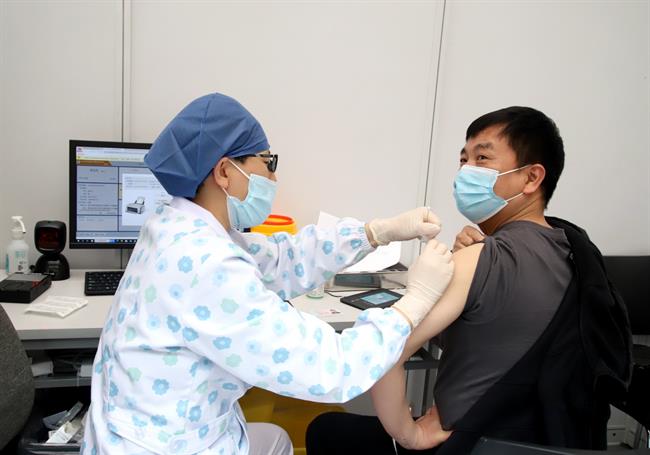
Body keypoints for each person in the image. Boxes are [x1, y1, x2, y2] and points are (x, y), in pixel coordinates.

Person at [81, 92, 456, 455]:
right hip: (164, 445)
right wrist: (415, 302)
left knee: (273, 438)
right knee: (277, 439)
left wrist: (374, 233)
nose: (273, 179)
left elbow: (282, 258)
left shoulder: (175, 227)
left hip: (138, 430)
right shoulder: (206, 264)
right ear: (224, 172)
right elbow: (331, 368)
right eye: (267, 163)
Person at [305, 106, 631, 454]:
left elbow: (386, 354)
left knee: (325, 430)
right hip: (550, 442)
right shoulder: (578, 252)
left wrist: (408, 434)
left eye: (482, 158)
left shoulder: (478, 259)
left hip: (467, 444)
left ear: (531, 178)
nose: (465, 172)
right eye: (463, 160)